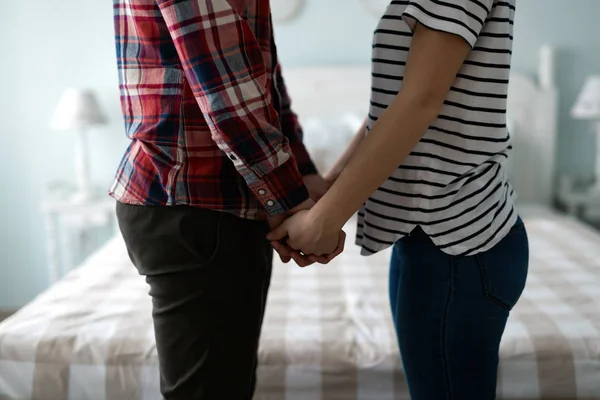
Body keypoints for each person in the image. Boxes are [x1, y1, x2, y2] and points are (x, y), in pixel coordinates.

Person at [269, 0, 529, 398]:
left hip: (457, 243)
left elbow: (419, 102)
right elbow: (395, 106)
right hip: (427, 239)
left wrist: (325, 220)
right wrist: (329, 183)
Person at [109, 0, 342, 398]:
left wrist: (302, 172)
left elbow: (259, 76)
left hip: (212, 202)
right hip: (196, 203)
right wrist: (295, 205)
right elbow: (227, 87)